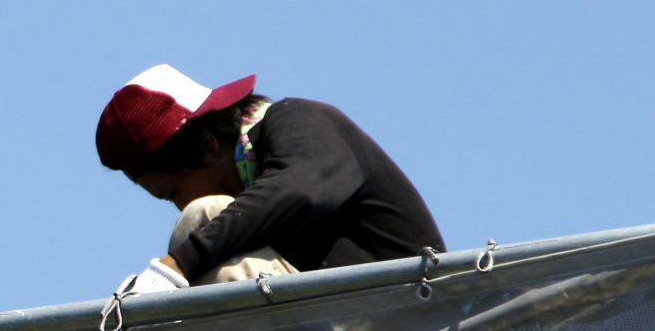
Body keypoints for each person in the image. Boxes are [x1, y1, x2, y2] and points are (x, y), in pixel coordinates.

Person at [95, 64, 443, 291]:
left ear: (206, 145)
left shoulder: (302, 123)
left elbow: (297, 191)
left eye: (172, 191)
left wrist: (175, 265)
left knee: (204, 217)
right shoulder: (258, 190)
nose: (178, 204)